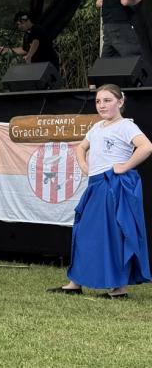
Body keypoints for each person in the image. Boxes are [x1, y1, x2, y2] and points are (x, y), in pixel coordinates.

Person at [48, 84, 152, 298]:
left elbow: (146, 146)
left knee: (114, 234)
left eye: (107, 100)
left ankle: (118, 289)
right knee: (84, 231)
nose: (102, 105)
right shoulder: (97, 127)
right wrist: (85, 166)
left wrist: (124, 166)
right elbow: (80, 148)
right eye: (98, 101)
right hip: (96, 185)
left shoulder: (126, 126)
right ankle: (75, 283)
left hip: (112, 185)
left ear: (120, 102)